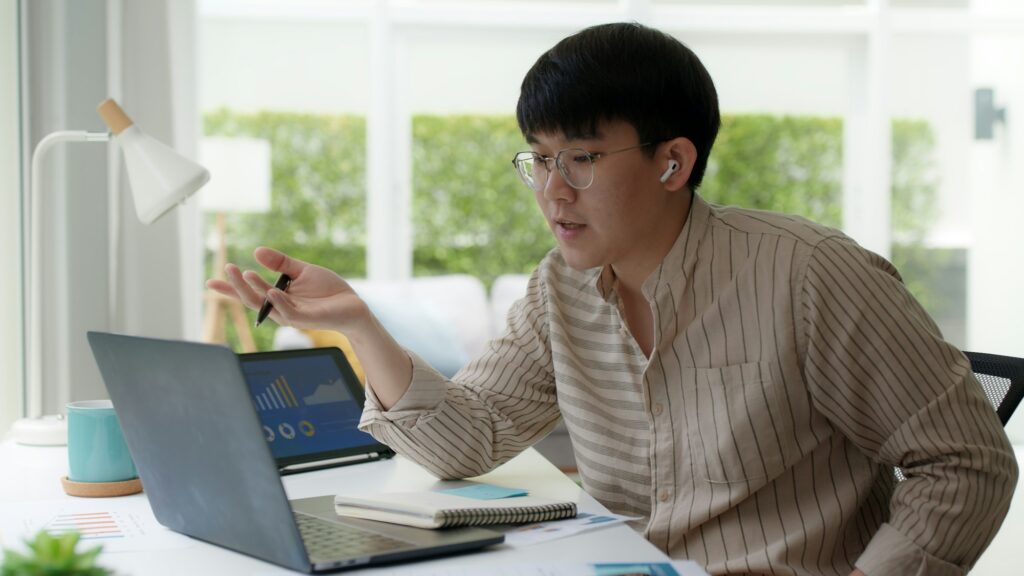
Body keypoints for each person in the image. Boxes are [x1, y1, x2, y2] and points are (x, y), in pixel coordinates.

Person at [207, 22, 1017, 576]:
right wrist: (355, 323)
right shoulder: (559, 290)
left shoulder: (810, 275)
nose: (552, 190)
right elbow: (469, 441)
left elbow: (965, 463)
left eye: (583, 158)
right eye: (539, 158)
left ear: (673, 162)